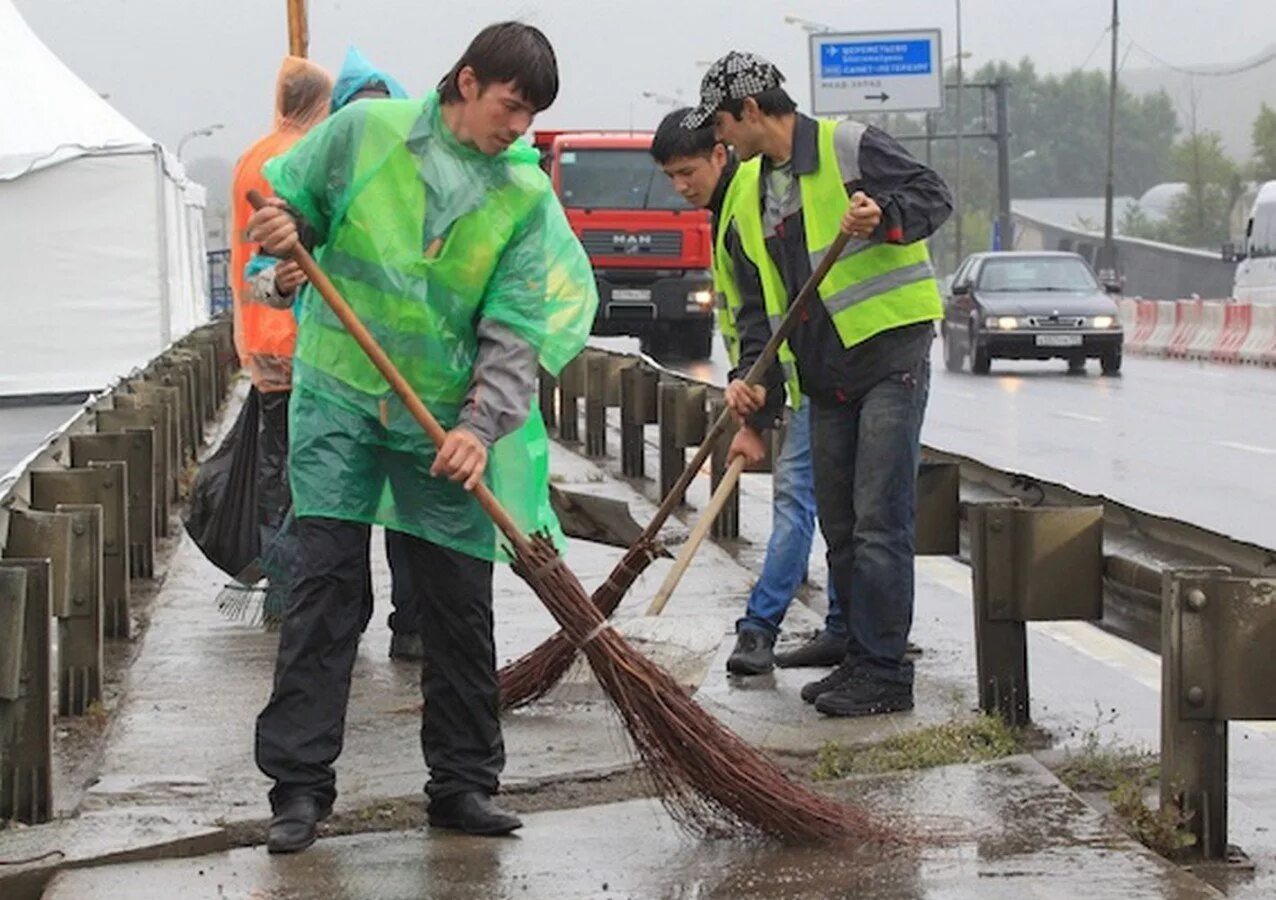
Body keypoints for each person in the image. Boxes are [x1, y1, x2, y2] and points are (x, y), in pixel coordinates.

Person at [246, 22, 597, 852]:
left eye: (533, 115)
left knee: (456, 604)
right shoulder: (365, 133)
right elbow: (290, 209)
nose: (519, 129)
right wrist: (284, 238)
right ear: (467, 83)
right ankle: (298, 790)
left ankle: (464, 784)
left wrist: (481, 427)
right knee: (325, 590)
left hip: (441, 421)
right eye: (511, 107)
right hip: (339, 399)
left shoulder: (522, 198)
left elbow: (515, 331)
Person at [684, 52, 951, 718]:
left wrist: (883, 214)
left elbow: (933, 196)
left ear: (750, 110)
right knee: (840, 521)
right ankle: (854, 652)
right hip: (822, 376)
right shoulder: (746, 188)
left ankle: (885, 672)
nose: (719, 142)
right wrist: (754, 385)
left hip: (889, 355)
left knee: (880, 517)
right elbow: (756, 303)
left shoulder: (848, 145)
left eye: (721, 126)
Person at [649, 110, 847, 676]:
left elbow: (765, 313)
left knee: (798, 501)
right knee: (824, 505)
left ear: (720, 153)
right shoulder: (726, 209)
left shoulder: (748, 204)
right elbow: (743, 318)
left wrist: (758, 406)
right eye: (671, 177)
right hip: (783, 375)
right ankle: (841, 627)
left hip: (809, 373)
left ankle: (759, 630)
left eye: (688, 171)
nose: (682, 186)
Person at [249, 46, 427, 662]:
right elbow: (256, 275)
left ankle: (414, 625)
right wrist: (282, 280)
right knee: (334, 519)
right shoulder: (310, 187)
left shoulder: (418, 190)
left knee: (411, 518)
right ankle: (341, 624)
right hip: (329, 388)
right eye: (356, 118)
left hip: (406, 383)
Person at [229, 58, 332, 558]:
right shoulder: (300, 158)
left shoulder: (252, 156)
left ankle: (278, 576)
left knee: (275, 467)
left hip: (259, 332)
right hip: (298, 337)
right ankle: (290, 581)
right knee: (305, 472)